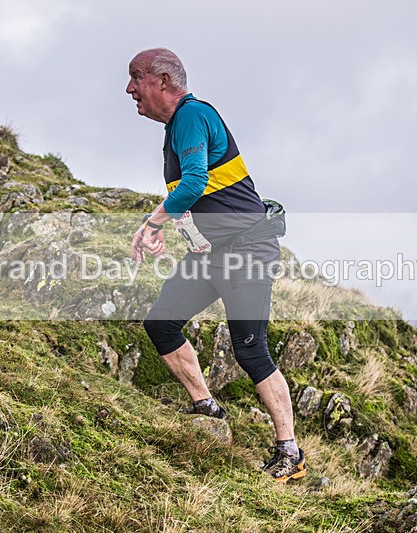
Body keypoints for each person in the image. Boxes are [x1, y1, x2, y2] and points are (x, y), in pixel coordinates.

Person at [126, 48, 307, 482]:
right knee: (162, 323)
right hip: (211, 253)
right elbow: (201, 196)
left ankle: (290, 452)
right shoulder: (177, 127)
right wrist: (171, 230)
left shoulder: (192, 115)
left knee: (250, 349)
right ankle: (206, 406)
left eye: (136, 78)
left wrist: (153, 223)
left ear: (164, 82)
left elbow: (194, 183)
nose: (130, 89)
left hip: (247, 252)